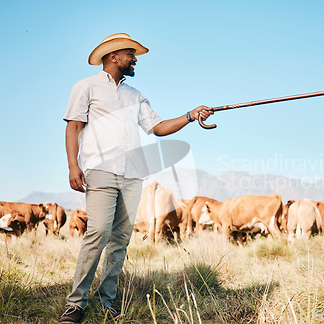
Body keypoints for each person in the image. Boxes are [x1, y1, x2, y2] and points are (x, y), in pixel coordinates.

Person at [59, 33, 213, 323]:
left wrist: (190, 115)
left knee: (120, 239)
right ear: (114, 56)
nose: (135, 59)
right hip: (100, 170)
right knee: (99, 232)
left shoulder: (135, 95)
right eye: (130, 54)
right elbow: (73, 127)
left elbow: (158, 127)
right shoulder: (86, 87)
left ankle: (108, 302)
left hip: (133, 175)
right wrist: (72, 166)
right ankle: (76, 304)